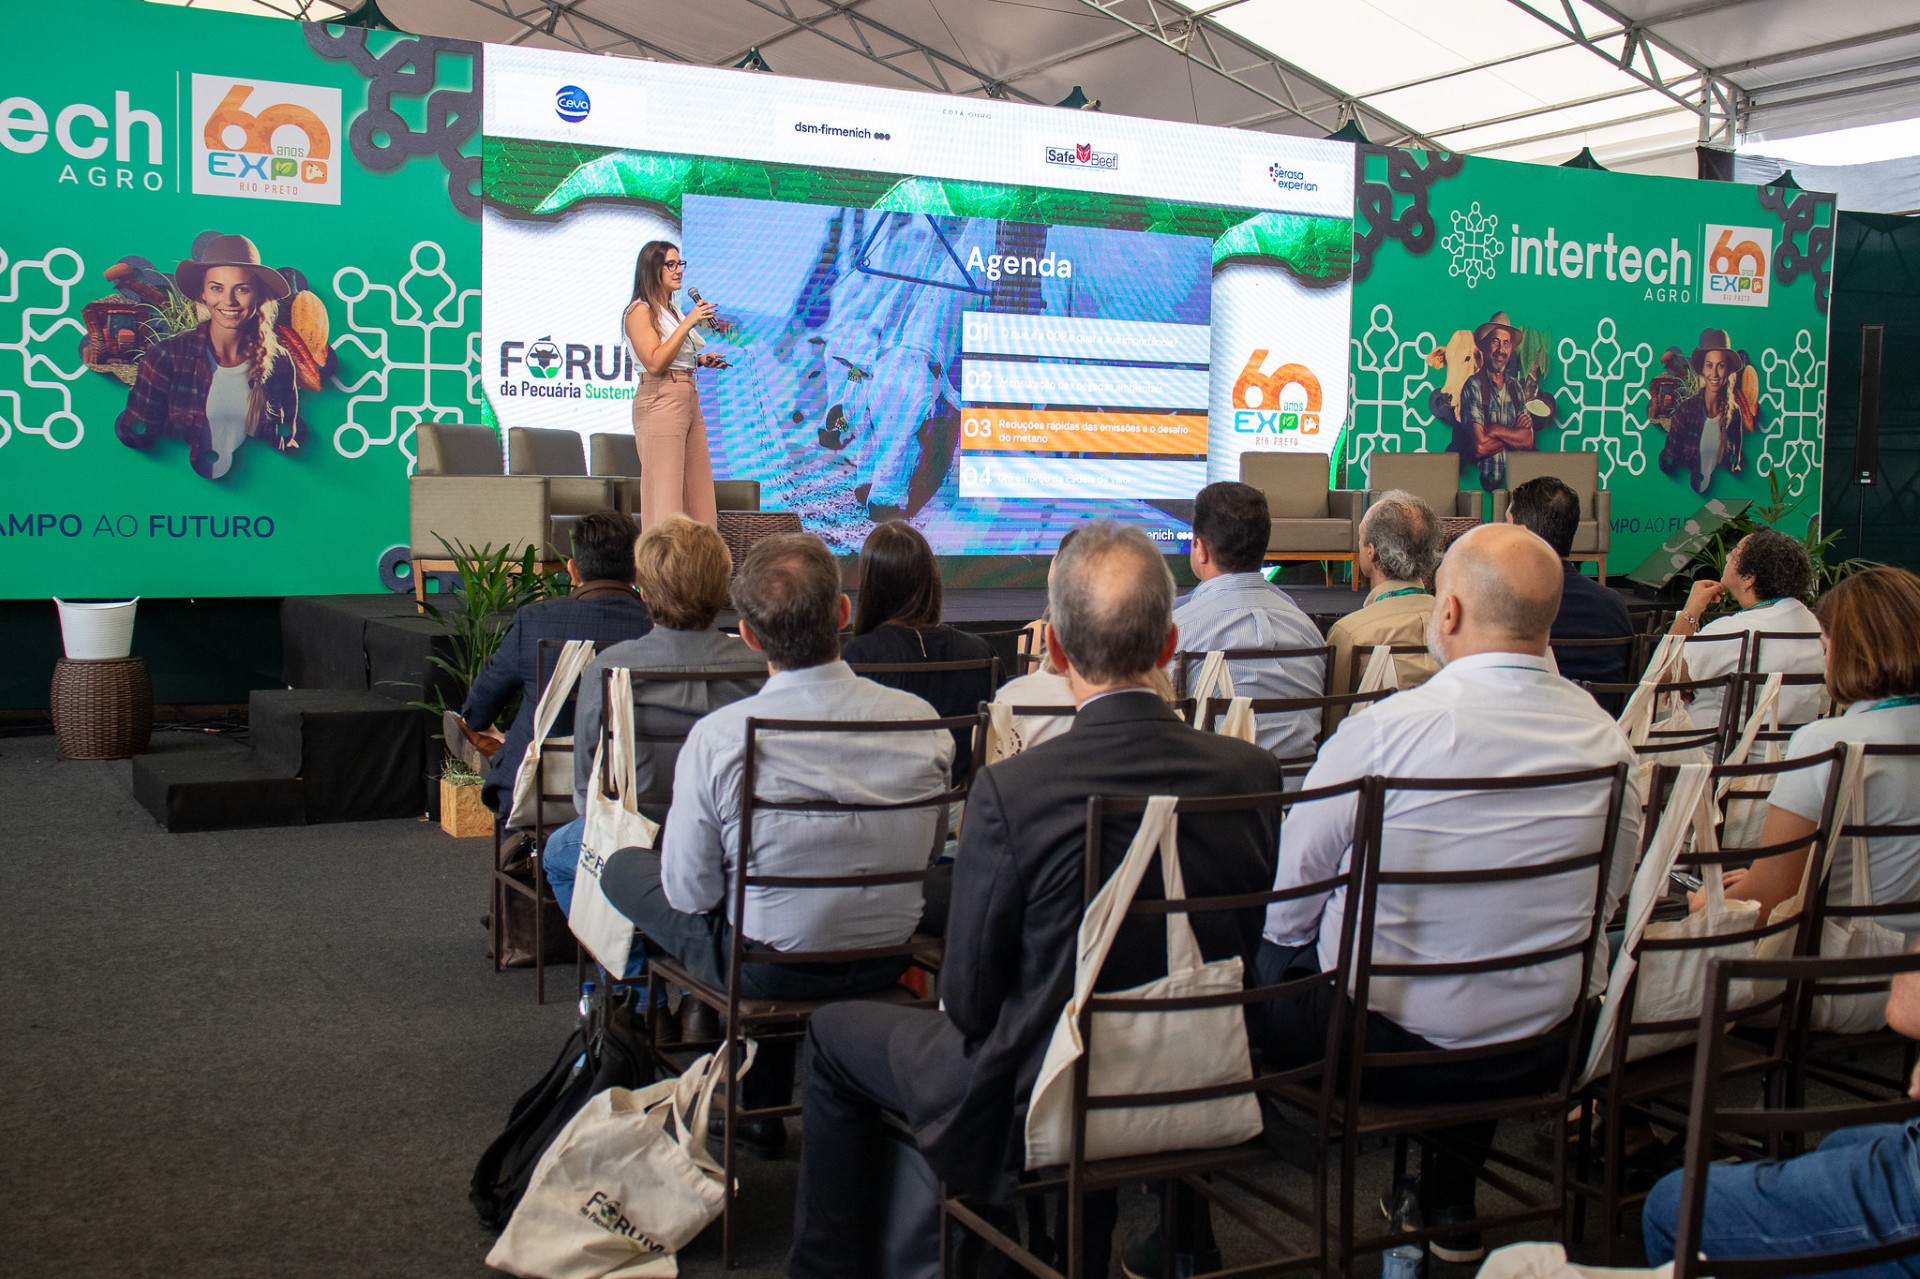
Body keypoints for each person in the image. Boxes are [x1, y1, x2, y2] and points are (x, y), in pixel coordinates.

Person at [788, 521, 1283, 1279]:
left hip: (1041, 1091)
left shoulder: (1014, 789)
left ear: (1052, 649)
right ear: (1169, 644)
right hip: (1202, 1069)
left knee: (830, 1036)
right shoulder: (1252, 772)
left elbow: (970, 1000)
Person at [1254, 523, 1643, 1265]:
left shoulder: (1386, 733)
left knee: (1277, 961)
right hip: (1544, 1046)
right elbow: (1605, 907)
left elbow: (1290, 903)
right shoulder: (1610, 743)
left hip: (1375, 1049)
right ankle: (1447, 1196)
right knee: (1490, 964)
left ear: (1452, 612)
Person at [596, 532, 954, 1156]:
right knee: (781, 899)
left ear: (750, 636)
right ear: (842, 613)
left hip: (762, 969)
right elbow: (923, 859)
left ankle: (665, 1059)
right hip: (885, 952)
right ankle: (757, 1096)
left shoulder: (720, 737)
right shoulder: (923, 723)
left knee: (623, 868)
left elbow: (690, 891)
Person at [540, 515, 763, 917]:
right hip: (740, 836)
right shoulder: (762, 666)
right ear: (724, 585)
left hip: (640, 840)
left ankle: (633, 968)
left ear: (643, 590)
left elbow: (587, 792)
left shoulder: (610, 668)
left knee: (557, 852)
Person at [1641, 954, 1920, 1270]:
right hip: (1848, 994)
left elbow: (1906, 1005)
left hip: (1808, 993)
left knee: (1671, 1205)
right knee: (1841, 1141)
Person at [1687, 567, 1920, 939]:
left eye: (1825, 648)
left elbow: (1764, 904)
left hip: (1836, 971)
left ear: (1846, 653)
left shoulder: (1827, 743)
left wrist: (1706, 902)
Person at [454, 509, 653, 820]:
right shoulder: (656, 628)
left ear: (573, 571)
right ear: (637, 571)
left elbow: (478, 712)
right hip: (630, 790)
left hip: (536, 792)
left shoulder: (534, 621)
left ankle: (520, 856)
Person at [115, 233, 303, 480]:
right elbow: (136, 433)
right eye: (217, 288)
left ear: (258, 295)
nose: (229, 301)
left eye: (242, 289)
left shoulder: (279, 362)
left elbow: (285, 437)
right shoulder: (166, 357)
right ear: (202, 293)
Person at [1173, 481, 1326, 765]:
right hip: (1298, 800)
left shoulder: (1177, 632)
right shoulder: (1309, 632)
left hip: (1210, 802)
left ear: (1201, 549)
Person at [842, 521, 995, 780]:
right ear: (931, 578)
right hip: (966, 812)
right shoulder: (981, 653)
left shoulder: (856, 658)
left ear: (870, 585)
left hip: (885, 810)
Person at [1666, 528, 1825, 729]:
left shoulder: (1735, 630)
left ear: (1749, 577)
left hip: (1719, 754)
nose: (1728, 555)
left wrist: (1691, 609)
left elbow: (1664, 673)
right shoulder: (1814, 624)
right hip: (1792, 754)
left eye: (1735, 552)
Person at [623, 240, 729, 531]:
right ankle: (661, 573)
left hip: (687, 395)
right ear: (652, 269)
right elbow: (655, 363)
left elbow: (674, 357)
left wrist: (700, 360)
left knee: (699, 494)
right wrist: (689, 322)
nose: (678, 270)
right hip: (660, 400)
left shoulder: (670, 309)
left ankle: (699, 569)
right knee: (666, 498)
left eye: (680, 264)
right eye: (670, 264)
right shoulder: (639, 311)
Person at [1505, 475, 1634, 707]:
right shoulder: (1614, 604)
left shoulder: (1508, 607)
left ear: (1522, 533)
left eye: (1507, 524)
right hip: (1605, 734)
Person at [1324, 489, 1443, 729]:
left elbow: (1332, 725)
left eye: (1361, 540)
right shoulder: (1459, 625)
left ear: (1371, 551)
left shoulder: (1350, 633)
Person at [1659, 328, 1758, 494]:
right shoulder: (1685, 412)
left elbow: (1735, 459)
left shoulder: (1734, 414)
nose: (1714, 374)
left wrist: (1733, 463)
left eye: (1721, 366)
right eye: (1709, 365)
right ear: (1703, 370)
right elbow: (1668, 461)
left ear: (1728, 371)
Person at [1457, 310, 1536, 491]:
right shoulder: (1474, 385)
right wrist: (1512, 436)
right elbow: (1480, 446)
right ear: (1485, 346)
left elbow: (1527, 441)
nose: (1501, 350)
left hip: (1516, 488)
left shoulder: (1516, 388)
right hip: (1479, 488)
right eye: (1495, 342)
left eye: (1506, 343)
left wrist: (1494, 429)